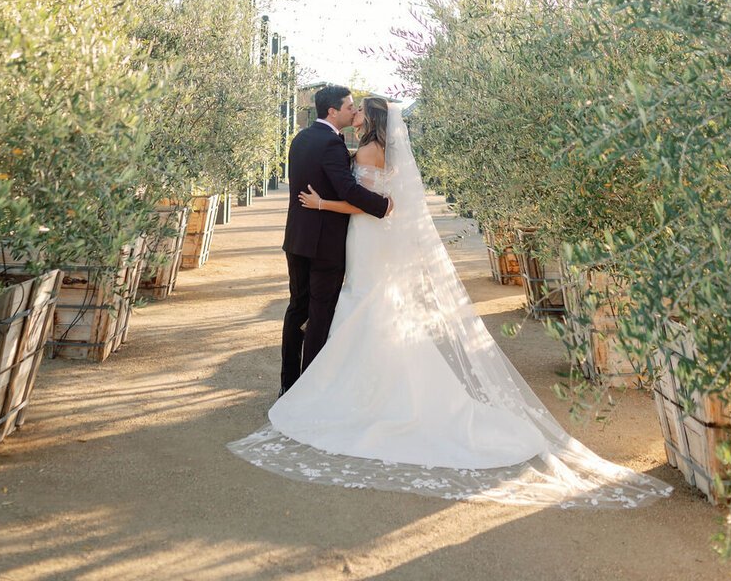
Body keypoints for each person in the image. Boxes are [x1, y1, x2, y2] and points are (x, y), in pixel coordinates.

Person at [230, 99, 672, 508]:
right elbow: (388, 203)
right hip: (374, 243)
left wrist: (323, 202)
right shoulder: (382, 150)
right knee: (374, 305)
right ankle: (369, 385)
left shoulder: (364, 153)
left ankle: (342, 391)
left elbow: (370, 204)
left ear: (373, 119)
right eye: (353, 108)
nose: (356, 112)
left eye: (361, 110)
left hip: (364, 236)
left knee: (361, 304)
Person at [279, 84, 392, 394]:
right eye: (349, 107)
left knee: (296, 309)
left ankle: (288, 384)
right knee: (320, 314)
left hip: (296, 240)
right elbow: (348, 190)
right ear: (333, 111)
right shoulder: (331, 143)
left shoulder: (301, 138)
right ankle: (309, 391)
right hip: (324, 245)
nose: (354, 111)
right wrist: (383, 206)